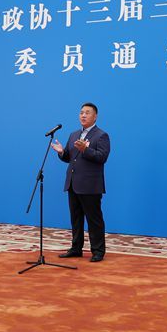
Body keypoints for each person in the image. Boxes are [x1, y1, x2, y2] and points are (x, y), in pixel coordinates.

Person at [51, 102, 111, 262]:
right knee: (76, 219)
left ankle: (98, 251)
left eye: (87, 112)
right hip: (73, 183)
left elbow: (102, 157)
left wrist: (86, 149)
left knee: (94, 220)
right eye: (81, 112)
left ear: (95, 116)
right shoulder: (74, 134)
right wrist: (61, 152)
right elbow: (70, 157)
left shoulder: (101, 135)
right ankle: (76, 248)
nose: (83, 115)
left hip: (90, 185)